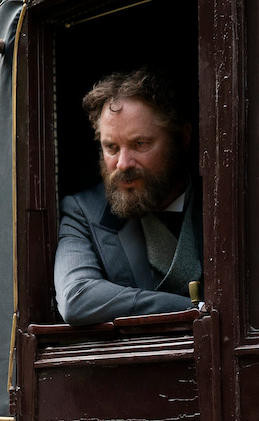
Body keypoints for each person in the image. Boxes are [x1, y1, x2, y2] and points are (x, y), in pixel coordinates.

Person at [53, 68, 202, 326]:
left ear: (182, 139)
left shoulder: (221, 200)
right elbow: (76, 298)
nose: (123, 163)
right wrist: (195, 310)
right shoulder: (83, 212)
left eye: (140, 144)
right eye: (111, 147)